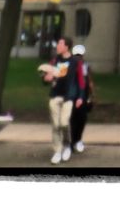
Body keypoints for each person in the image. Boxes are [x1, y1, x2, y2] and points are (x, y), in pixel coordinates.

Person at [41, 36, 85, 164]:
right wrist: (46, 78)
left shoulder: (76, 62)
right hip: (55, 95)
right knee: (55, 125)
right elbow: (45, 77)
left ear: (66, 47)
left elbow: (81, 81)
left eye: (60, 44)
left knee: (64, 123)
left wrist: (81, 97)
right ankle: (57, 151)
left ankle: (67, 145)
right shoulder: (54, 61)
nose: (57, 46)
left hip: (69, 97)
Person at [69, 44, 94, 153]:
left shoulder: (85, 65)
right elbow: (89, 81)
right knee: (77, 119)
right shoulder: (74, 65)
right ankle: (75, 140)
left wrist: (91, 94)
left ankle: (76, 140)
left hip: (81, 95)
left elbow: (89, 81)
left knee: (78, 119)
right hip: (76, 95)